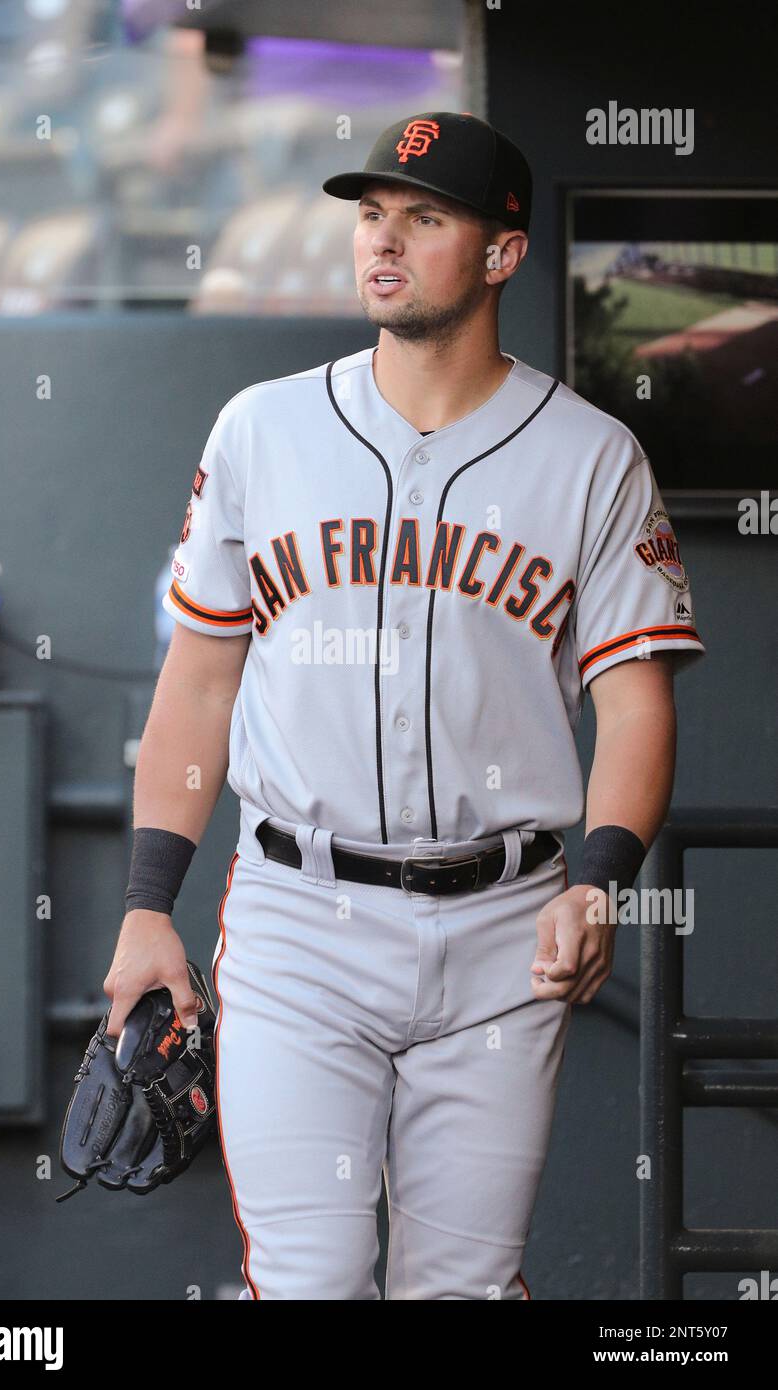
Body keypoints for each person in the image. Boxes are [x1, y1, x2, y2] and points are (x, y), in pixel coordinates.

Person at [104, 111, 705, 1299]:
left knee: (463, 1290)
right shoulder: (260, 429)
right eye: (369, 215)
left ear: (499, 254)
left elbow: (632, 705)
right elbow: (199, 678)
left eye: (422, 218)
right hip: (295, 921)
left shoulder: (590, 455)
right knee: (311, 1279)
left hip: (504, 928)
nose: (381, 241)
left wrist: (596, 880)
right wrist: (144, 905)